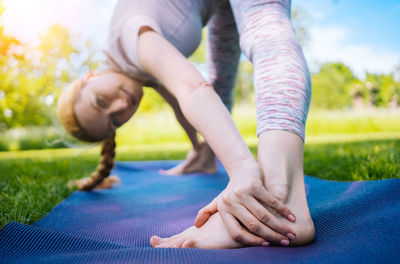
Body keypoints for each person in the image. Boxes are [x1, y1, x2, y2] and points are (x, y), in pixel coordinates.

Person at [57, 0, 314, 248]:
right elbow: (181, 104)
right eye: (114, 121)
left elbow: (192, 90)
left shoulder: (129, 37)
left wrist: (242, 167)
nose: (120, 108)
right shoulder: (135, 70)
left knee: (265, 31)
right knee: (220, 85)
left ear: (90, 76)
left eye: (100, 100)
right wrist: (200, 150)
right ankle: (230, 169)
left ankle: (281, 197)